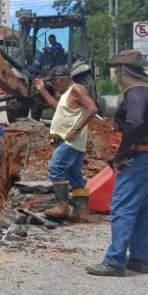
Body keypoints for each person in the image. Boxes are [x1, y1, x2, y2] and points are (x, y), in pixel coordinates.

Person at [86, 50, 148, 277]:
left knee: (122, 208)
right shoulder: (144, 90)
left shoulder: (137, 93)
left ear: (124, 72)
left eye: (116, 71)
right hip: (147, 156)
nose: (116, 76)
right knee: (139, 210)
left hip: (138, 157)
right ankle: (138, 259)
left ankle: (115, 261)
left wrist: (121, 155)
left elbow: (135, 124)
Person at [34, 65, 99, 221]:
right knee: (75, 177)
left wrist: (76, 129)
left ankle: (62, 206)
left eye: (54, 82)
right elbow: (57, 108)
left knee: (55, 168)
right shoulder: (67, 94)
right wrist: (42, 90)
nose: (54, 86)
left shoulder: (76, 89)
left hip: (70, 142)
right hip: (71, 142)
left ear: (61, 79)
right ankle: (80, 211)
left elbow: (92, 108)